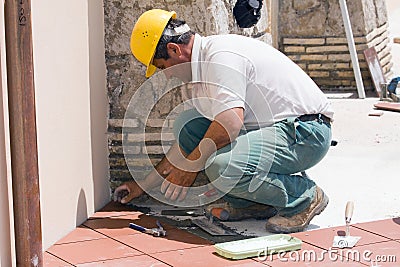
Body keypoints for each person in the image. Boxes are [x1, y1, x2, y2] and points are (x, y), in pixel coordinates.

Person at [113, 9, 334, 233]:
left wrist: (190, 168)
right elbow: (188, 144)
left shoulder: (220, 56)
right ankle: (254, 203)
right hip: (276, 128)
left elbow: (230, 123)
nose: (168, 75)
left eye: (163, 67)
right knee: (188, 126)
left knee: (222, 166)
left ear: (174, 49)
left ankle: (304, 197)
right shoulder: (202, 69)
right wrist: (142, 186)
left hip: (306, 133)